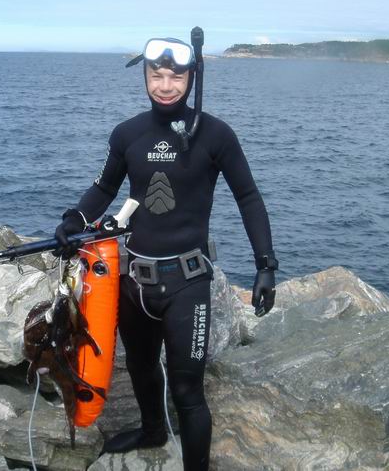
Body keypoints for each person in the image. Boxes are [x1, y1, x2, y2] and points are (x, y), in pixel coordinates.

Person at [53, 33, 278, 471]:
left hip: (186, 283)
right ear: (145, 75)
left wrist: (265, 265)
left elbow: (249, 197)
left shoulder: (216, 135)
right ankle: (153, 430)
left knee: (187, 389)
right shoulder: (127, 134)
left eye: (176, 76)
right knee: (140, 365)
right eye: (156, 75)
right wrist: (74, 220)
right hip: (134, 281)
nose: (166, 85)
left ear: (192, 77)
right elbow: (104, 187)